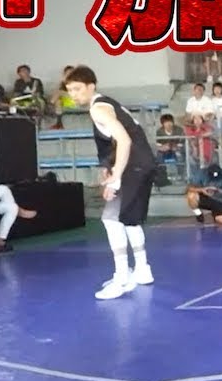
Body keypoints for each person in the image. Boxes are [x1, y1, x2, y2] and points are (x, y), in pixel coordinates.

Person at [64, 66, 158, 299]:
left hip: (134, 166)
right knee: (129, 220)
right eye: (70, 90)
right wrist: (109, 169)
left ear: (91, 86)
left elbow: (124, 141)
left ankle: (121, 278)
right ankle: (143, 269)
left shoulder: (98, 109)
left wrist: (114, 179)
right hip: (142, 163)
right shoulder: (107, 103)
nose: (73, 94)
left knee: (110, 219)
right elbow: (118, 142)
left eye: (77, 89)